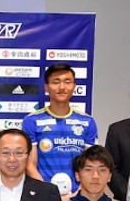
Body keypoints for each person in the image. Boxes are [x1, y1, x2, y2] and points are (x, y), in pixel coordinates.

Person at [22, 62, 98, 190]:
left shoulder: (87, 121)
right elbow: (29, 165)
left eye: (67, 82)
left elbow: (92, 165)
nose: (62, 87)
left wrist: (79, 193)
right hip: (44, 194)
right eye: (56, 82)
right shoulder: (32, 121)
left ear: (74, 87)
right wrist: (47, 192)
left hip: (78, 194)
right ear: (46, 87)